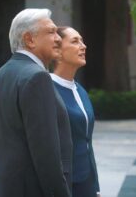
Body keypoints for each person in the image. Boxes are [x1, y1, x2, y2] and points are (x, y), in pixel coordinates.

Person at [0, 8, 73, 197]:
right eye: (51, 32)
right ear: (29, 39)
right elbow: (46, 155)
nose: (58, 38)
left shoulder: (0, 75)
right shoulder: (37, 77)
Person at [50, 26, 100, 197]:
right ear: (58, 51)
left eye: (82, 40)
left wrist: (95, 186)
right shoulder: (46, 89)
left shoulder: (81, 91)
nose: (83, 46)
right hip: (63, 183)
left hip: (86, 181)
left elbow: (87, 141)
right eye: (75, 41)